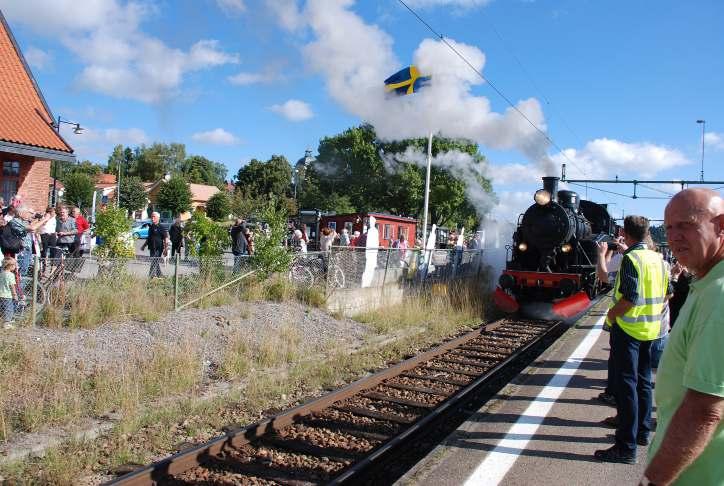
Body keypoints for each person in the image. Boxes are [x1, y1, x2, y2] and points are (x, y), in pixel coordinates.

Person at [642, 188, 724, 485]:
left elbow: (704, 410)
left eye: (686, 225)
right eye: (669, 228)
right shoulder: (706, 283)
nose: (674, 236)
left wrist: (653, 480)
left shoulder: (719, 294)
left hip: (699, 475)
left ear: (721, 225)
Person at [594, 215, 670, 464]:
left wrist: (611, 317)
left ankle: (625, 447)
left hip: (628, 329)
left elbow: (629, 298)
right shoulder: (658, 259)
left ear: (626, 234)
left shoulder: (631, 258)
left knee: (627, 388)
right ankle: (642, 433)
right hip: (651, 329)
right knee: (644, 383)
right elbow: (667, 294)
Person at [140, 212, 169, 278]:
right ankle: (160, 274)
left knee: (154, 260)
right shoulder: (151, 227)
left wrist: (165, 249)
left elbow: (166, 238)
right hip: (152, 247)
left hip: (159, 248)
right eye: (152, 217)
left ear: (158, 218)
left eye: (154, 217)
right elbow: (149, 238)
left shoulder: (161, 227)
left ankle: (151, 276)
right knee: (155, 261)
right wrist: (144, 246)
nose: (152, 218)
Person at [0, 257, 17, 329]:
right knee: (8, 309)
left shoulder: (1, 273)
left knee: (1, 308)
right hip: (7, 296)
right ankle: (6, 323)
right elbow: (12, 286)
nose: (15, 267)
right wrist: (15, 295)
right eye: (15, 265)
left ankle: (3, 321)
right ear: (11, 266)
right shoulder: (11, 275)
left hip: (1, 294)